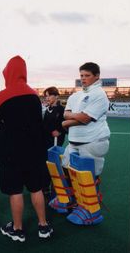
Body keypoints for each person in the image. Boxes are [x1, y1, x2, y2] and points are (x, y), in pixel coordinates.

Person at [0, 55, 53, 242]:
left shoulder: (2, 95)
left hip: (10, 151)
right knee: (36, 188)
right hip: (34, 150)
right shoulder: (34, 94)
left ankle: (17, 229)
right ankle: (43, 226)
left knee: (15, 191)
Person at [50, 62, 110, 225]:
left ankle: (91, 210)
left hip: (92, 141)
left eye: (87, 75)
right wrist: (72, 118)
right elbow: (68, 114)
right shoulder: (75, 96)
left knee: (88, 175)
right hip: (74, 141)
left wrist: (66, 123)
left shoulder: (99, 95)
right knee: (67, 169)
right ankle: (71, 201)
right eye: (81, 75)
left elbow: (85, 118)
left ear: (96, 76)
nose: (83, 79)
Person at [41, 86, 66, 199]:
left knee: (53, 163)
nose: (47, 98)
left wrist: (60, 131)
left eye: (49, 95)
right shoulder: (47, 109)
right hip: (45, 140)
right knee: (45, 163)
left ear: (56, 96)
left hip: (55, 141)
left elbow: (66, 124)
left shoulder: (62, 110)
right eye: (46, 96)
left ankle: (55, 188)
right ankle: (45, 186)